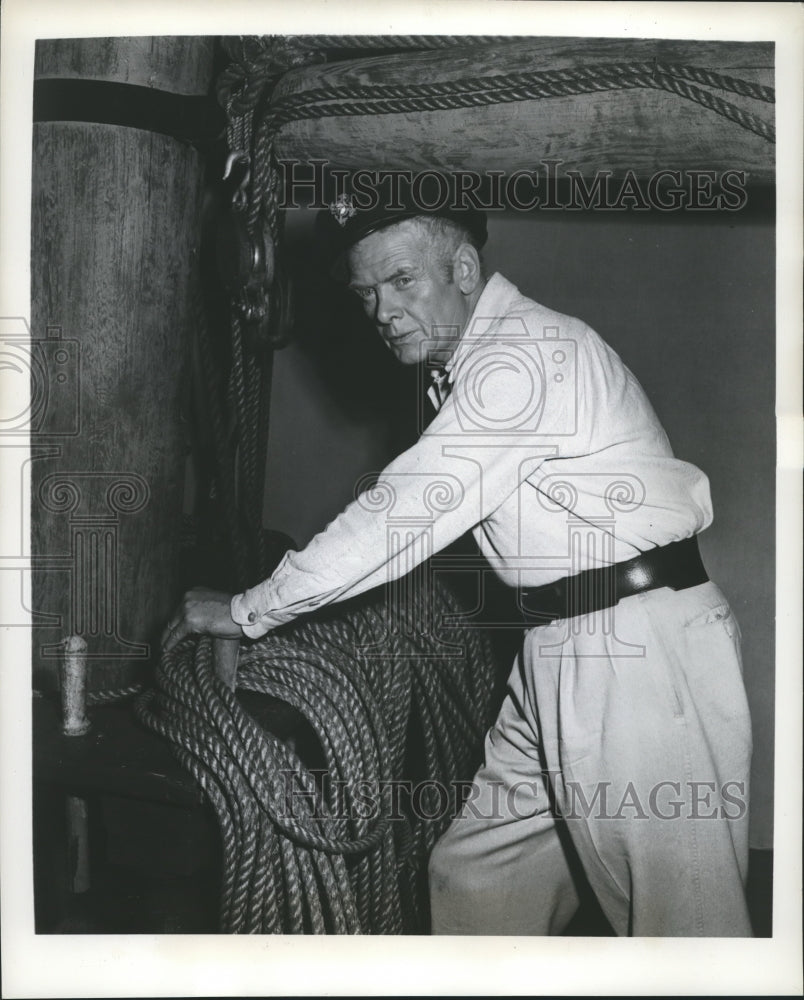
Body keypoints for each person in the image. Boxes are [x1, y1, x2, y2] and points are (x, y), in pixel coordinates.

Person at [162, 189, 753, 937]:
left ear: (465, 269)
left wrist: (250, 609)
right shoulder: (472, 368)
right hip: (561, 648)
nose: (381, 310)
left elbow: (403, 512)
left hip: (635, 655)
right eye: (367, 292)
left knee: (685, 931)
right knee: (478, 881)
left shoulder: (526, 358)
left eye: (402, 281)